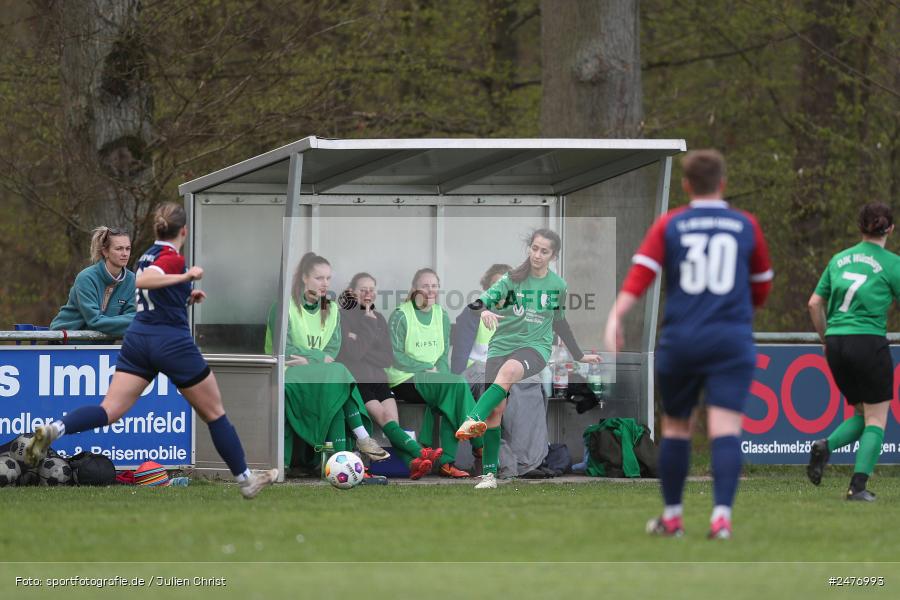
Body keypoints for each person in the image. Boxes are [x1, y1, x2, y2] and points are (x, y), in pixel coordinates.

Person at [27, 202, 277, 498]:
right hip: (170, 341)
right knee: (215, 413)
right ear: (183, 230)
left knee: (110, 410)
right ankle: (246, 479)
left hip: (138, 340)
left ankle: (56, 429)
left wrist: (186, 297)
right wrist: (186, 277)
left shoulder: (147, 255)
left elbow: (152, 293)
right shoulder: (170, 257)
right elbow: (146, 281)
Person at [603, 149, 773, 539]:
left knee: (678, 428)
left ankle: (674, 517)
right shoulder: (745, 225)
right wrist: (745, 308)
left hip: (682, 340)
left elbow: (641, 275)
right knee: (725, 428)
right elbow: (762, 285)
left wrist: (616, 315)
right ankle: (721, 519)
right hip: (731, 340)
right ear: (723, 184)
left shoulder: (672, 224)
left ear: (685, 185)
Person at [455, 230, 601, 489]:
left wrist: (579, 356)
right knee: (497, 411)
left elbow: (560, 323)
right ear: (529, 249)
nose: (537, 254)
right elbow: (477, 303)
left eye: (544, 251)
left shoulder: (558, 286)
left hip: (535, 348)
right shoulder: (512, 279)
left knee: (510, 372)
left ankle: (472, 417)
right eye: (534, 248)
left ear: (553, 255)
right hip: (501, 347)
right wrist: (486, 310)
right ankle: (489, 476)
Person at [806, 202, 900, 501]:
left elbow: (814, 303)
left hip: (836, 342)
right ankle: (857, 487)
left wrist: (825, 339)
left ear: (860, 228)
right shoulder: (892, 263)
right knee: (877, 418)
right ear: (891, 229)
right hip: (868, 341)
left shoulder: (838, 260)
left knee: (863, 412)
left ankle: (825, 446)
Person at [265, 253, 388, 466]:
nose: (325, 283)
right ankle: (362, 438)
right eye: (319, 278)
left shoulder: (330, 309)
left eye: (328, 278)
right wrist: (319, 358)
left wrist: (311, 360)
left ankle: (339, 460)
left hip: (316, 372)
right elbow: (285, 348)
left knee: (336, 379)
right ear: (304, 278)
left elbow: (334, 347)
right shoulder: (284, 307)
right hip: (286, 371)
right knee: (338, 372)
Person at [336, 272, 443, 479]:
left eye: (372, 290)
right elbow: (352, 353)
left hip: (380, 380)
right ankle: (420, 452)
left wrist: (361, 343)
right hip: (360, 381)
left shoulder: (379, 318)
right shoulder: (344, 316)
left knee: (393, 421)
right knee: (385, 418)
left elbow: (386, 358)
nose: (368, 294)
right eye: (362, 290)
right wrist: (365, 329)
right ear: (352, 292)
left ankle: (412, 464)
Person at [386, 268, 483, 478]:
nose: (430, 290)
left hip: (432, 378)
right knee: (455, 387)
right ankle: (478, 444)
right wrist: (425, 369)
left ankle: (447, 464)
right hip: (405, 379)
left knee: (451, 392)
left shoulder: (442, 314)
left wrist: (441, 375)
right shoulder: (400, 315)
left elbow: (441, 355)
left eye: (434, 286)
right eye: (424, 285)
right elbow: (395, 355)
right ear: (414, 289)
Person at [50, 226, 136, 338]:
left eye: (128, 248)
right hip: (64, 342)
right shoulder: (86, 278)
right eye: (119, 248)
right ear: (105, 252)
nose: (125, 253)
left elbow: (135, 318)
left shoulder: (132, 280)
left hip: (100, 345)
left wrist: (138, 320)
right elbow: (94, 321)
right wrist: (136, 320)